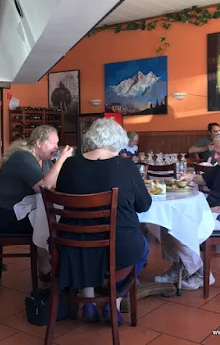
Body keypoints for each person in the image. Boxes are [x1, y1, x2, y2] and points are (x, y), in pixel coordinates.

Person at [55, 118, 151, 325]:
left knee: (87, 246)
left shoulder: (70, 164)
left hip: (73, 244)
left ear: (92, 137)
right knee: (142, 247)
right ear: (118, 140)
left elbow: (61, 194)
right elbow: (144, 205)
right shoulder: (126, 167)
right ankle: (113, 302)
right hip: (119, 246)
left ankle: (88, 301)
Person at [155, 131, 220, 290]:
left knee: (181, 228)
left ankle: (202, 274)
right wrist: (189, 176)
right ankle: (178, 267)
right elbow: (204, 179)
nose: (215, 156)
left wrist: (210, 210)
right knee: (167, 222)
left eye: (218, 153)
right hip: (212, 212)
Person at [0, 125, 73, 279]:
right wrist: (62, 159)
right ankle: (48, 269)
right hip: (2, 215)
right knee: (52, 220)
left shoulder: (43, 160)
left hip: (18, 209)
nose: (55, 147)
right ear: (39, 143)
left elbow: (52, 182)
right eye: (52, 143)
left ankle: (51, 266)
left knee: (51, 217)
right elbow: (44, 187)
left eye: (56, 143)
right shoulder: (23, 157)